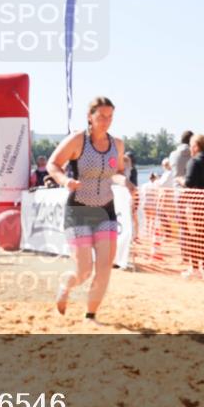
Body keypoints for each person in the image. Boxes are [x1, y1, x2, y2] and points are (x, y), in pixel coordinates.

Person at [48, 96, 134, 321]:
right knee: (84, 271)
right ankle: (67, 284)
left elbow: (118, 172)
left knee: (104, 267)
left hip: (106, 210)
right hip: (79, 211)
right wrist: (65, 181)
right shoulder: (78, 140)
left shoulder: (117, 144)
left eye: (110, 117)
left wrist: (125, 182)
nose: (106, 121)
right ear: (90, 116)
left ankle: (91, 315)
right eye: (101, 116)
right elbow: (52, 164)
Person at [176, 134, 204, 279]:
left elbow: (189, 183)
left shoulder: (194, 162)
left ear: (195, 146)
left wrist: (180, 180)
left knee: (193, 236)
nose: (190, 148)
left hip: (194, 205)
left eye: (191, 145)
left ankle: (194, 268)